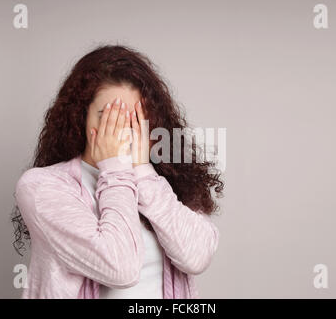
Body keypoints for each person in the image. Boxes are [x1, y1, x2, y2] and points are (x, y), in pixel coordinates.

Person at [11, 44, 224, 298]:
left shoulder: (168, 182)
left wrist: (143, 171)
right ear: (81, 118)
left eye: (133, 118)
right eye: (108, 116)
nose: (121, 129)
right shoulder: (43, 187)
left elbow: (196, 258)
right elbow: (120, 268)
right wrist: (115, 169)